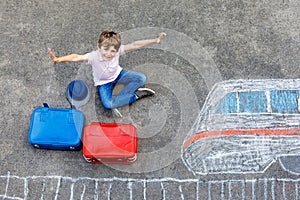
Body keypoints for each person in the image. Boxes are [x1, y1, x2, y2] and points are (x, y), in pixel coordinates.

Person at [48, 30, 166, 115]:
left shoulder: (118, 50)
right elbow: (76, 57)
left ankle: (119, 99)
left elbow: (135, 45)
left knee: (141, 78)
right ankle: (134, 96)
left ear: (117, 50)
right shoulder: (93, 56)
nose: (109, 54)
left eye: (113, 51)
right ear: (99, 47)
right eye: (105, 50)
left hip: (118, 74)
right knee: (108, 105)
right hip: (104, 83)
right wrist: (59, 59)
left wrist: (155, 40)